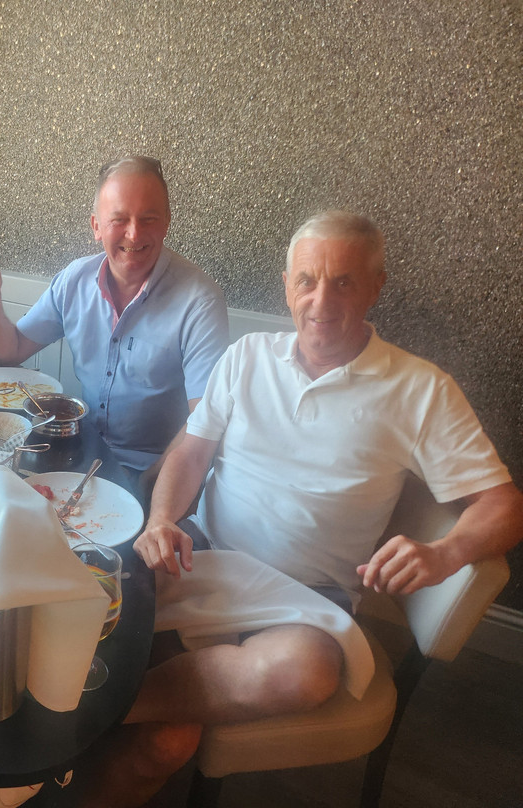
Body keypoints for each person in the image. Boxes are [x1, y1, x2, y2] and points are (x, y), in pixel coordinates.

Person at [102, 210, 523, 806]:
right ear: (286, 286)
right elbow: (191, 452)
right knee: (108, 622)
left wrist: (445, 552)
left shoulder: (422, 390)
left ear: (375, 287)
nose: (321, 300)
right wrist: (162, 519)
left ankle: (95, 710)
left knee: (306, 672)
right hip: (201, 556)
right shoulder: (247, 356)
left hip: (307, 598)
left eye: (343, 282)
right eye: (307, 280)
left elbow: (504, 505)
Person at [0, 156, 229, 472]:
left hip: (155, 469)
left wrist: (149, 488)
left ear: (167, 222)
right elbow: (11, 350)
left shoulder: (200, 300)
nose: (134, 234)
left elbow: (204, 424)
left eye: (149, 219)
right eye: (119, 219)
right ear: (96, 227)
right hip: (78, 451)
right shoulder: (74, 280)